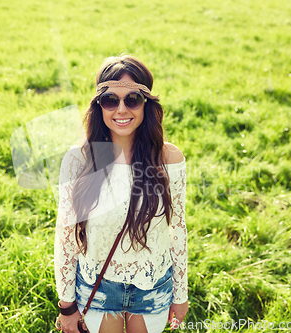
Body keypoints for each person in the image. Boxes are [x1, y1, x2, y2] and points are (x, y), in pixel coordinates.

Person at [54, 55, 188, 333]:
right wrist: (66, 305)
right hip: (98, 287)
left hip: (153, 287)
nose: (121, 109)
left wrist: (181, 295)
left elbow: (177, 229)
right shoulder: (78, 160)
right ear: (99, 106)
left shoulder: (169, 158)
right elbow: (65, 237)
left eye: (133, 99)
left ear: (147, 104)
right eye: (111, 100)